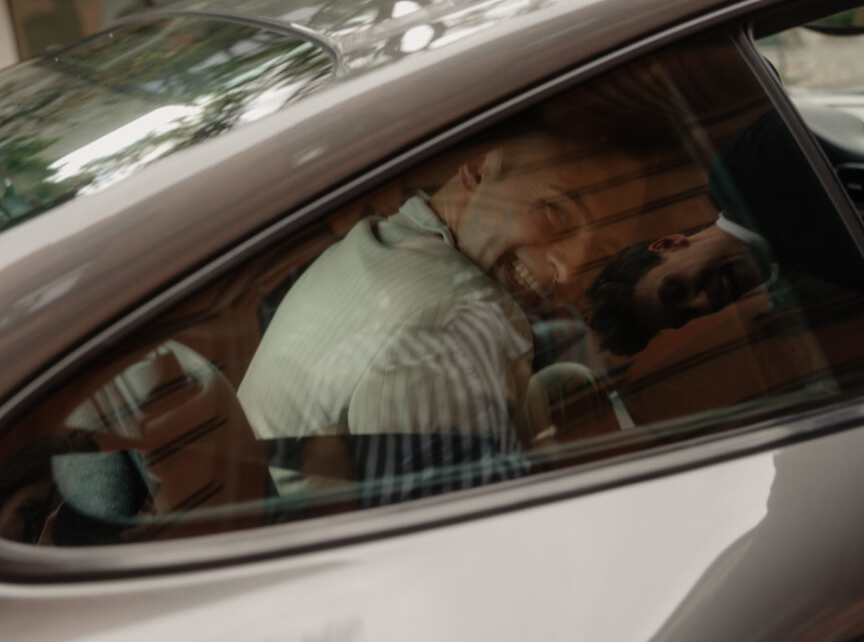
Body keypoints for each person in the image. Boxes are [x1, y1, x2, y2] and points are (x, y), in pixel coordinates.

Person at [238, 132, 636, 496]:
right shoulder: (466, 315)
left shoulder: (369, 246)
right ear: (478, 170)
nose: (570, 269)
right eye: (557, 212)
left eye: (600, 253)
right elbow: (455, 525)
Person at [587, 110, 864, 356]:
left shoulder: (743, 174)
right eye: (687, 316)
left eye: (676, 291)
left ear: (669, 244)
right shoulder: (810, 277)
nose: (705, 302)